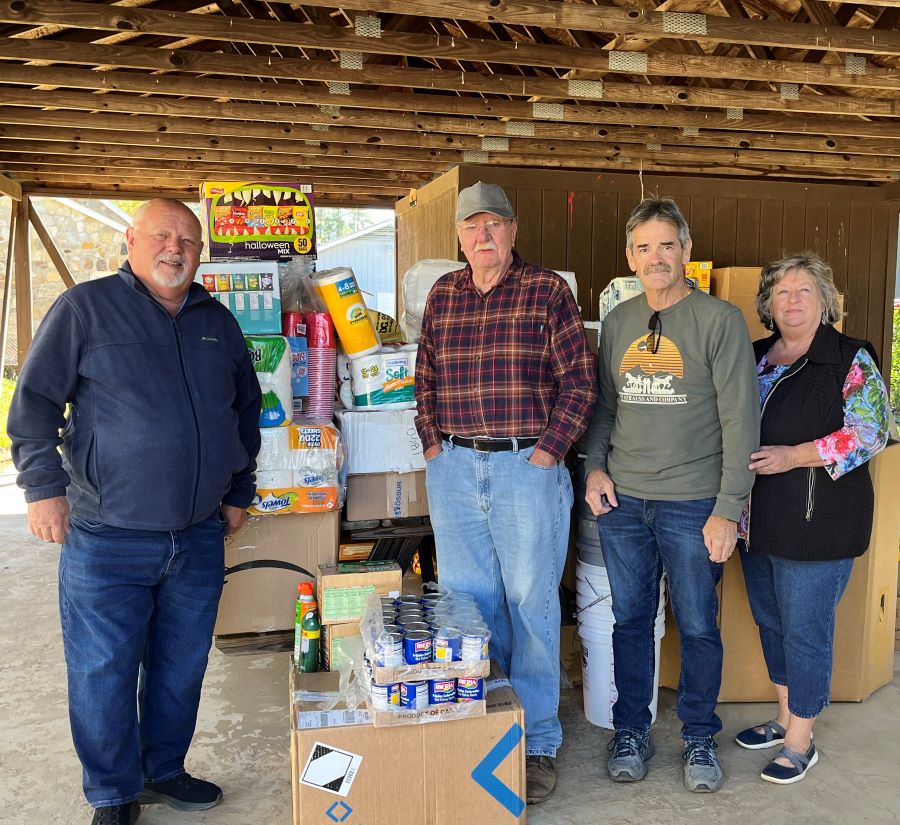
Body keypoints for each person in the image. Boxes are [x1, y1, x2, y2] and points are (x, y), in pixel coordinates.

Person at [8, 198, 262, 825]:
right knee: (104, 671)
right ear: (131, 240)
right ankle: (114, 793)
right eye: (162, 235)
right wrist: (43, 489)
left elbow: (246, 411)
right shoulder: (85, 309)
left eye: (189, 240)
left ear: (201, 253)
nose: (176, 248)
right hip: (107, 535)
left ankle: (164, 769)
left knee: (180, 665)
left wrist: (237, 492)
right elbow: (35, 405)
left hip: (198, 534)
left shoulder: (216, 321)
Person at [414, 181, 597, 804]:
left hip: (526, 464)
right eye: (472, 226)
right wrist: (433, 445)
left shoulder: (547, 291)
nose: (483, 235)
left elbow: (580, 382)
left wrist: (547, 452)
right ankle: (487, 725)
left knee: (531, 603)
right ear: (460, 238)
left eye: (494, 223)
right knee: (470, 603)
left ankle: (539, 737)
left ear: (513, 231)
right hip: (456, 465)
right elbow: (425, 376)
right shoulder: (444, 295)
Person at [583, 197, 759, 793]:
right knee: (630, 620)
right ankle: (630, 729)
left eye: (666, 245)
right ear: (629, 259)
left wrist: (727, 509)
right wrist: (595, 469)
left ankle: (699, 736)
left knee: (699, 624)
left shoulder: (720, 320)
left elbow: (741, 421)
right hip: (624, 502)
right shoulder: (618, 323)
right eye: (643, 247)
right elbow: (605, 407)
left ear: (685, 251)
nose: (655, 257)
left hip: (693, 503)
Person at [735, 253, 890, 784]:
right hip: (756, 521)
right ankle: (784, 717)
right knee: (771, 621)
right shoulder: (754, 357)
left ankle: (801, 741)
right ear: (768, 304)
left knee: (805, 630)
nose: (792, 300)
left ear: (825, 301)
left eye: (804, 290)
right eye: (781, 292)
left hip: (817, 521)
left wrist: (792, 455)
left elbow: (870, 431)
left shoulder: (848, 358)